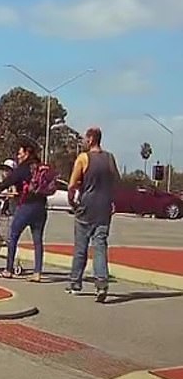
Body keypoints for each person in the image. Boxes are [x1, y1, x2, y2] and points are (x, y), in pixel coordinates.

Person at [66, 127, 121, 302]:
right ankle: (101, 283)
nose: (83, 141)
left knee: (81, 246)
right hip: (104, 208)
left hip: (86, 206)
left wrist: (72, 202)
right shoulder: (109, 158)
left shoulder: (83, 158)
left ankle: (75, 282)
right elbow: (116, 181)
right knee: (100, 246)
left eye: (84, 138)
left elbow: (72, 184)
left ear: (90, 140)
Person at [0, 141, 48, 282]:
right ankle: (37, 272)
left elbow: (7, 182)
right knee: (37, 240)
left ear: (26, 153)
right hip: (42, 207)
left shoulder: (23, 169)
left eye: (20, 153)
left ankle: (8, 269)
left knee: (13, 236)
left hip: (26, 206)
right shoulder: (41, 166)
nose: (18, 156)